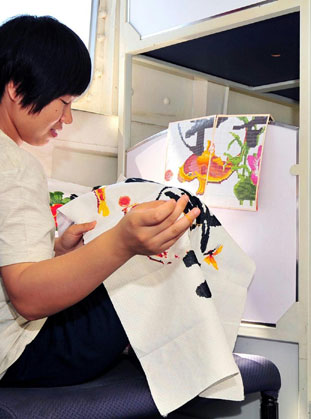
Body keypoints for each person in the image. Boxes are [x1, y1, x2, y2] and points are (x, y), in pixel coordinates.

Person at [0, 15, 200, 387]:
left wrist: (57, 253)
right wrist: (122, 242)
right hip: (18, 353)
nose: (68, 118)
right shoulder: (14, 163)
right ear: (15, 87)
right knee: (147, 277)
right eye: (63, 101)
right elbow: (27, 295)